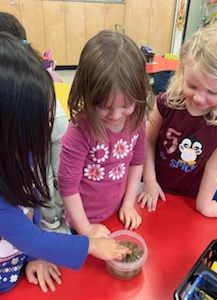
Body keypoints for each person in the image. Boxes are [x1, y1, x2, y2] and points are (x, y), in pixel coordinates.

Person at [0, 32, 130, 293]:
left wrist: (31, 256)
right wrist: (90, 245)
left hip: (17, 261)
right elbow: (27, 235)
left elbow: (29, 210)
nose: (48, 132)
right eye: (39, 125)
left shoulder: (19, 153)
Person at [138, 19, 217, 218]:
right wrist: (150, 181)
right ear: (183, 72)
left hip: (194, 195)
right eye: (192, 86)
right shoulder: (166, 103)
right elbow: (146, 140)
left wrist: (203, 203)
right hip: (155, 188)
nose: (199, 98)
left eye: (213, 91)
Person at [58, 30, 151, 237]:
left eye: (126, 105)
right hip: (82, 220)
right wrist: (85, 228)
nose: (116, 116)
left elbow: (137, 163)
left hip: (117, 212)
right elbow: (67, 185)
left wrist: (128, 204)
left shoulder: (136, 121)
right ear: (87, 94)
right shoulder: (79, 132)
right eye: (104, 107)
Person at [0, 12, 68, 229]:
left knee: (47, 176)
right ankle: (55, 216)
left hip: (47, 128)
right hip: (48, 127)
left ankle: (53, 217)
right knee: (49, 176)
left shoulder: (19, 77)